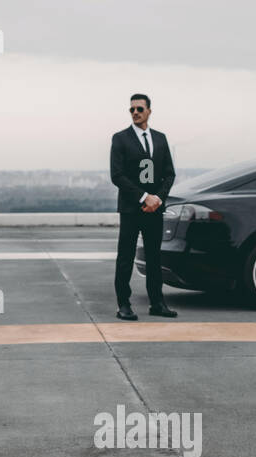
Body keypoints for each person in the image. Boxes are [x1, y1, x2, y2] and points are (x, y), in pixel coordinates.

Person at [109, 94, 177, 320]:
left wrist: (157, 198)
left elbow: (169, 174)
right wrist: (143, 197)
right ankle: (123, 305)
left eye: (139, 108)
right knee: (125, 257)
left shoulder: (160, 138)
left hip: (154, 209)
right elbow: (117, 175)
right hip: (131, 209)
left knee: (154, 257)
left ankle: (157, 303)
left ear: (149, 111)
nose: (135, 112)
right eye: (132, 109)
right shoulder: (120, 139)